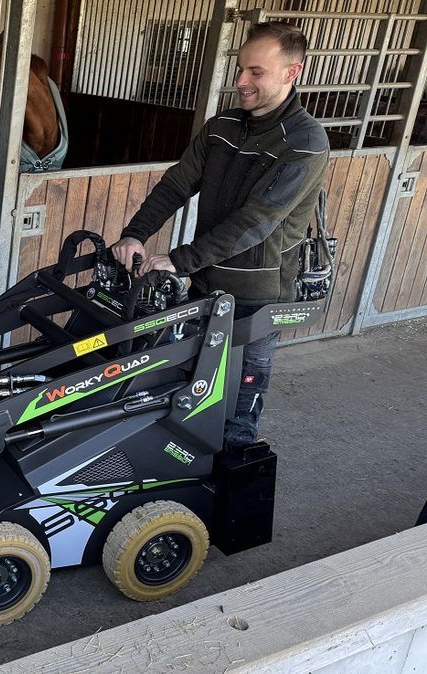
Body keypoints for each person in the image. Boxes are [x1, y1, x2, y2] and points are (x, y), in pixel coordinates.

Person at [109, 22, 328, 451]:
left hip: (256, 297)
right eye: (241, 68)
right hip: (207, 283)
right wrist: (134, 234)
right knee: (191, 388)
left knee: (238, 409)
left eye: (256, 72)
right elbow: (176, 185)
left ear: (291, 72)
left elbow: (256, 221)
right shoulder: (221, 125)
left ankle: (231, 489)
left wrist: (180, 259)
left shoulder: (304, 142)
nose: (241, 81)